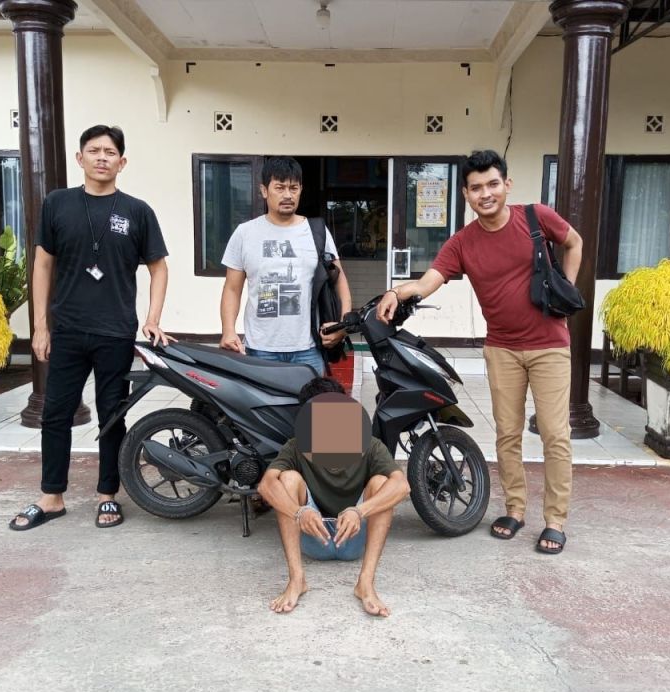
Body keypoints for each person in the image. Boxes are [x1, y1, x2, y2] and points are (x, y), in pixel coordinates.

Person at [377, 149, 583, 555]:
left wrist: (567, 291)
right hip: (502, 348)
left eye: (492, 184)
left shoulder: (535, 217)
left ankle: (555, 520)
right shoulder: (463, 243)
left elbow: (574, 242)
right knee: (507, 433)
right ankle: (515, 509)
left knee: (555, 434)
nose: (485, 194)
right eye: (476, 188)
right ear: (466, 195)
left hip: (549, 346)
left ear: (507, 185)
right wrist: (396, 292)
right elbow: (428, 282)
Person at [10, 125, 171, 531]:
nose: (102, 157)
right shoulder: (58, 204)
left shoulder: (137, 211)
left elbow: (159, 268)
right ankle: (51, 496)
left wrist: (153, 318)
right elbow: (42, 265)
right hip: (67, 329)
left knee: (112, 415)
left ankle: (107, 495)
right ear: (79, 158)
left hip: (115, 331)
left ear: (122, 162)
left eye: (110, 152)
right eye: (94, 150)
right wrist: (40, 326)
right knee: (56, 413)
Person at [257, 377, 410, 617]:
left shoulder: (369, 445)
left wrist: (359, 511)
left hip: (353, 537)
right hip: (314, 537)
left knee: (382, 483)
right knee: (287, 479)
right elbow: (266, 485)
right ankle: (297, 580)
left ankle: (365, 583)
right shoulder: (296, 446)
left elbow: (401, 486)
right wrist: (299, 512)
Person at [219, 156, 351, 375]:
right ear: (264, 190)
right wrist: (228, 330)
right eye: (279, 188)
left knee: (316, 398)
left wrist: (343, 326)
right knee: (262, 399)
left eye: (293, 188)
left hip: (309, 348)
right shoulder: (245, 233)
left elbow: (340, 280)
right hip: (260, 349)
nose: (288, 195)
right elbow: (232, 288)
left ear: (300, 190)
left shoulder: (317, 231)